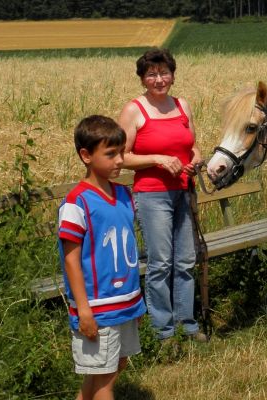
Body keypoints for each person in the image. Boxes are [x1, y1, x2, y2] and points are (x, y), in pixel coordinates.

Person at [116, 48, 206, 342]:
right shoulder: (134, 110)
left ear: (173, 75)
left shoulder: (182, 105)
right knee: (161, 263)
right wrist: (158, 159)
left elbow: (192, 145)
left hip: (183, 191)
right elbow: (120, 156)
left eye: (164, 72)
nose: (159, 79)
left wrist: (197, 159)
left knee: (185, 261)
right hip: (152, 195)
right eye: (152, 74)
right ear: (142, 78)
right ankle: (163, 331)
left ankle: (187, 324)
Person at [57, 115, 146, 400]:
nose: (120, 160)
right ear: (86, 155)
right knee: (105, 380)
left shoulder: (123, 194)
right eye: (110, 154)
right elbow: (71, 260)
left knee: (113, 367)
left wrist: (137, 302)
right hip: (97, 306)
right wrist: (83, 310)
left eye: (121, 152)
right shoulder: (77, 202)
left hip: (125, 302)